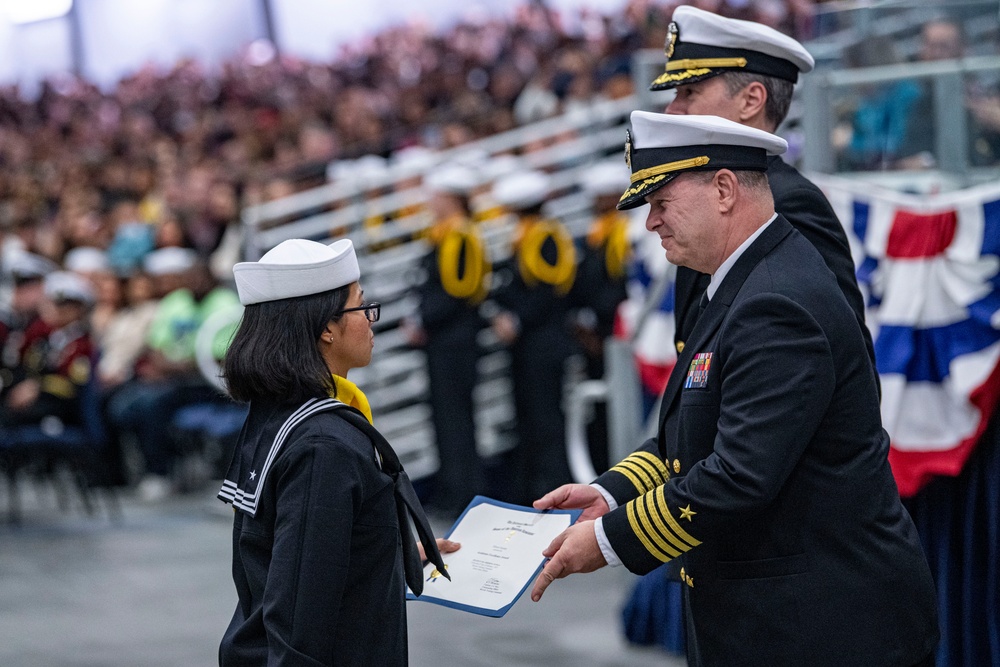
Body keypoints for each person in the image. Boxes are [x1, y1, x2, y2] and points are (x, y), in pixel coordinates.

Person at [530, 112, 939, 667]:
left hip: (820, 626)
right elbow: (693, 435)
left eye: (661, 203)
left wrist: (608, 541)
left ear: (723, 189)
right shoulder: (739, 282)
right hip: (776, 619)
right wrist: (611, 494)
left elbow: (740, 475)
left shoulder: (776, 303)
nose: (650, 223)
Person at [217, 238, 458, 666]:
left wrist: (383, 549)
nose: (370, 321)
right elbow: (297, 624)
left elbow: (291, 555)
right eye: (361, 307)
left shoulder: (279, 413)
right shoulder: (323, 446)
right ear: (326, 327)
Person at [649, 5, 875, 384]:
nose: (673, 109)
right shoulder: (705, 195)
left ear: (751, 101)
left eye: (690, 91)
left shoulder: (786, 203)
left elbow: (844, 359)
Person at [405, 163, 490, 518]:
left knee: (457, 419)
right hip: (441, 343)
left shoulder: (462, 236)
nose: (432, 203)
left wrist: (424, 319)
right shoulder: (442, 235)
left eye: (437, 197)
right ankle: (450, 489)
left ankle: (464, 491)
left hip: (456, 342)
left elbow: (462, 289)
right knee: (444, 417)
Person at [490, 170, 578, 503]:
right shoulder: (523, 237)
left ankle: (557, 489)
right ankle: (533, 491)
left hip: (545, 346)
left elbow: (550, 290)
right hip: (526, 350)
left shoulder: (546, 237)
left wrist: (517, 319)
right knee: (528, 421)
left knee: (547, 422)